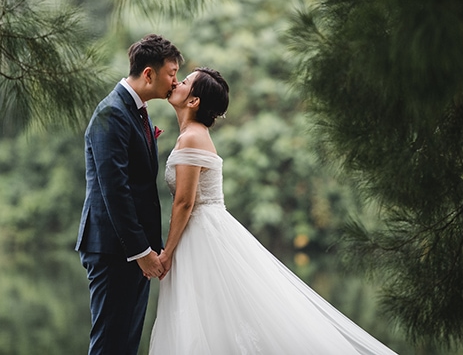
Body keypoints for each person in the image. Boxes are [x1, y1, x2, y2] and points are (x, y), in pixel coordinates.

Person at [149, 67, 399, 354]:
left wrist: (167, 253)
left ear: (194, 101)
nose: (177, 84)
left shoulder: (191, 137)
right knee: (209, 317)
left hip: (201, 235)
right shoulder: (195, 134)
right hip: (202, 232)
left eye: (184, 81)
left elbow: (185, 202)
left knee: (207, 316)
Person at [76, 34, 183, 355]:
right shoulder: (111, 113)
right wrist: (141, 251)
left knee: (125, 346)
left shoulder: (138, 111)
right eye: (172, 73)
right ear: (149, 74)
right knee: (110, 346)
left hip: (133, 252)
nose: (175, 81)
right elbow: (115, 190)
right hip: (114, 250)